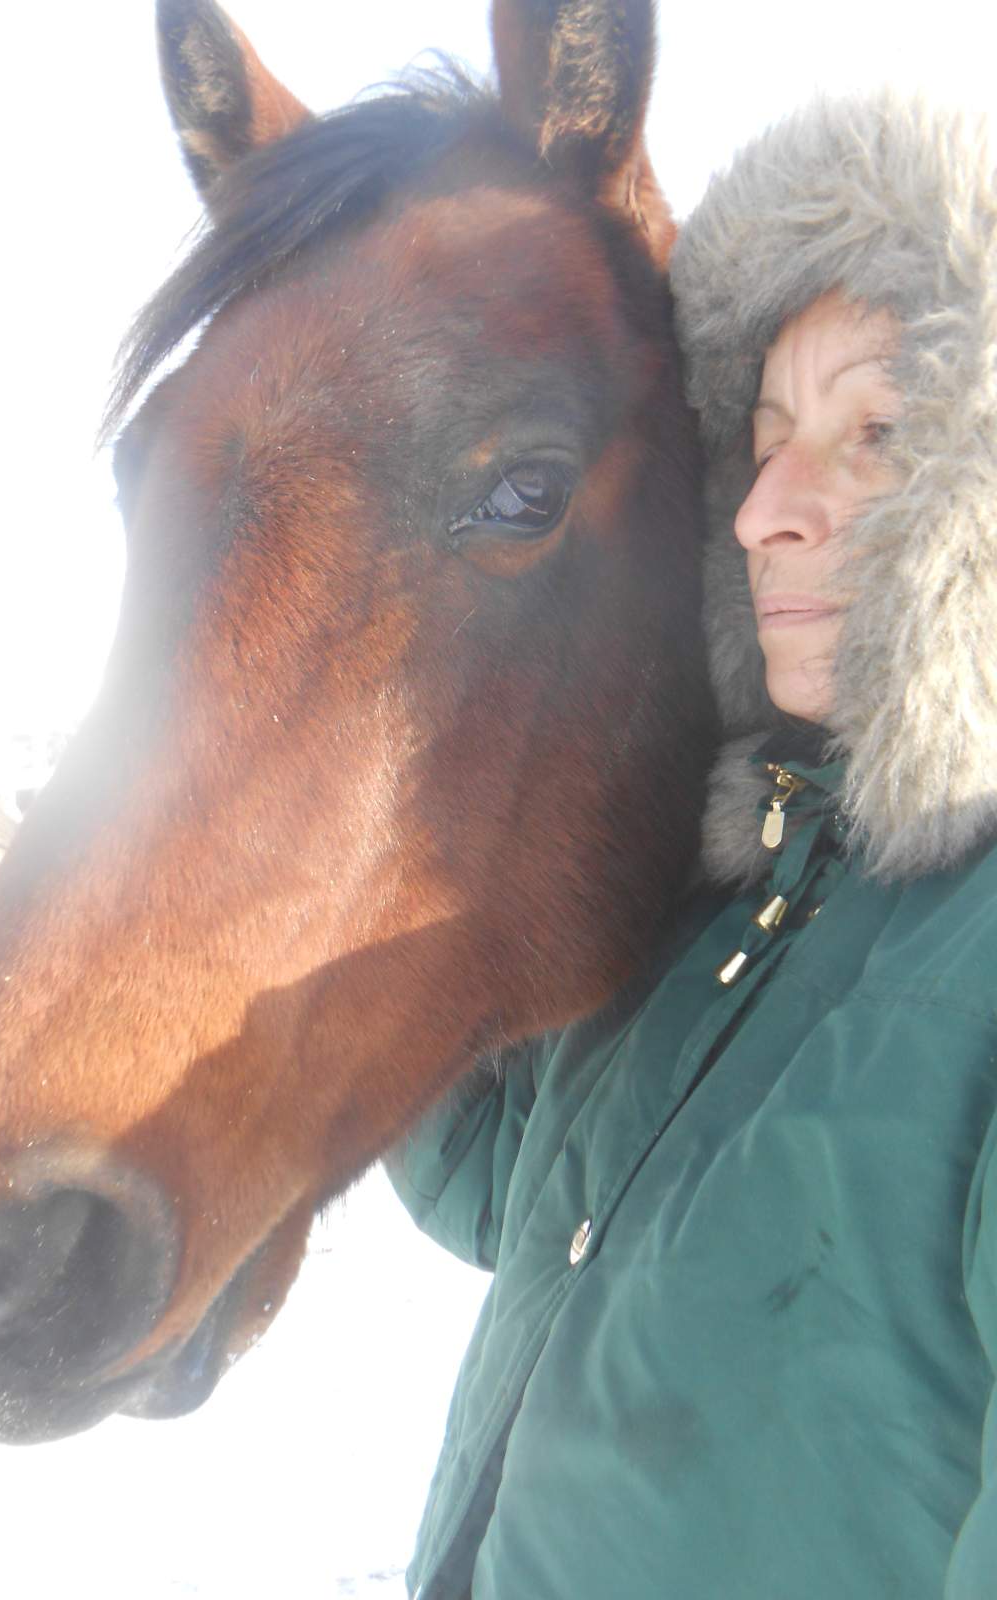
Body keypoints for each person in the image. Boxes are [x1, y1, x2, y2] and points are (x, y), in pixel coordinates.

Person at [388, 91, 997, 1600]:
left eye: (876, 435)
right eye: (764, 444)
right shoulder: (738, 884)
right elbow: (512, 1184)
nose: (767, 511)